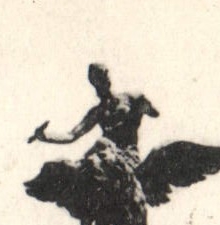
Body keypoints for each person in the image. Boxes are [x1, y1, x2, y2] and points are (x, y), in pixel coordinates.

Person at [28, 63, 159, 165]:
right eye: (96, 82)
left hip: (128, 156)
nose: (100, 86)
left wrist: (143, 109)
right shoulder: (98, 112)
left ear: (108, 80)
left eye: (102, 79)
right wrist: (45, 137)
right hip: (105, 153)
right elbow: (72, 135)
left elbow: (154, 113)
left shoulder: (131, 99)